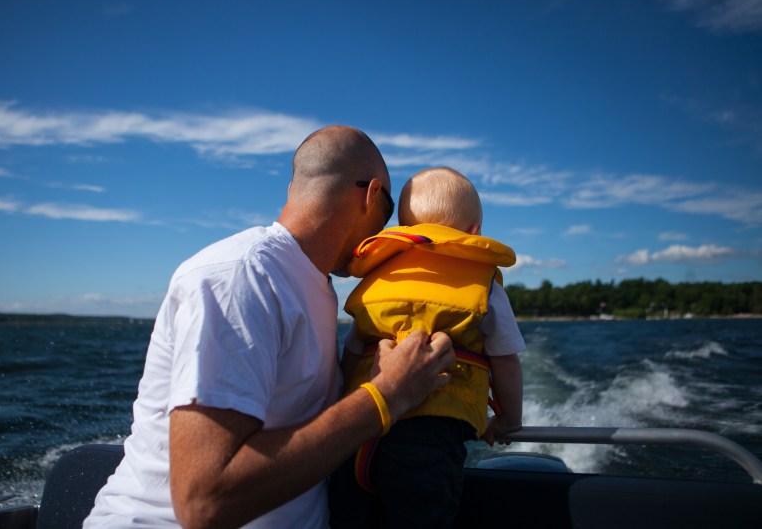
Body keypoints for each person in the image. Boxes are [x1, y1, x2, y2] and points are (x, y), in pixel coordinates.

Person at [83, 126, 456, 529]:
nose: (386, 234)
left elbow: (302, 413)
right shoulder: (241, 277)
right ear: (371, 195)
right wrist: (387, 395)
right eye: (388, 214)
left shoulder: (312, 286)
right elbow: (204, 503)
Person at [329, 166, 525, 528]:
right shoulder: (484, 286)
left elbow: (352, 354)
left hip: (359, 432)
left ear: (405, 230)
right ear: (474, 233)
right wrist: (509, 419)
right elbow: (506, 362)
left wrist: (343, 402)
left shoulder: (379, 278)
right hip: (430, 438)